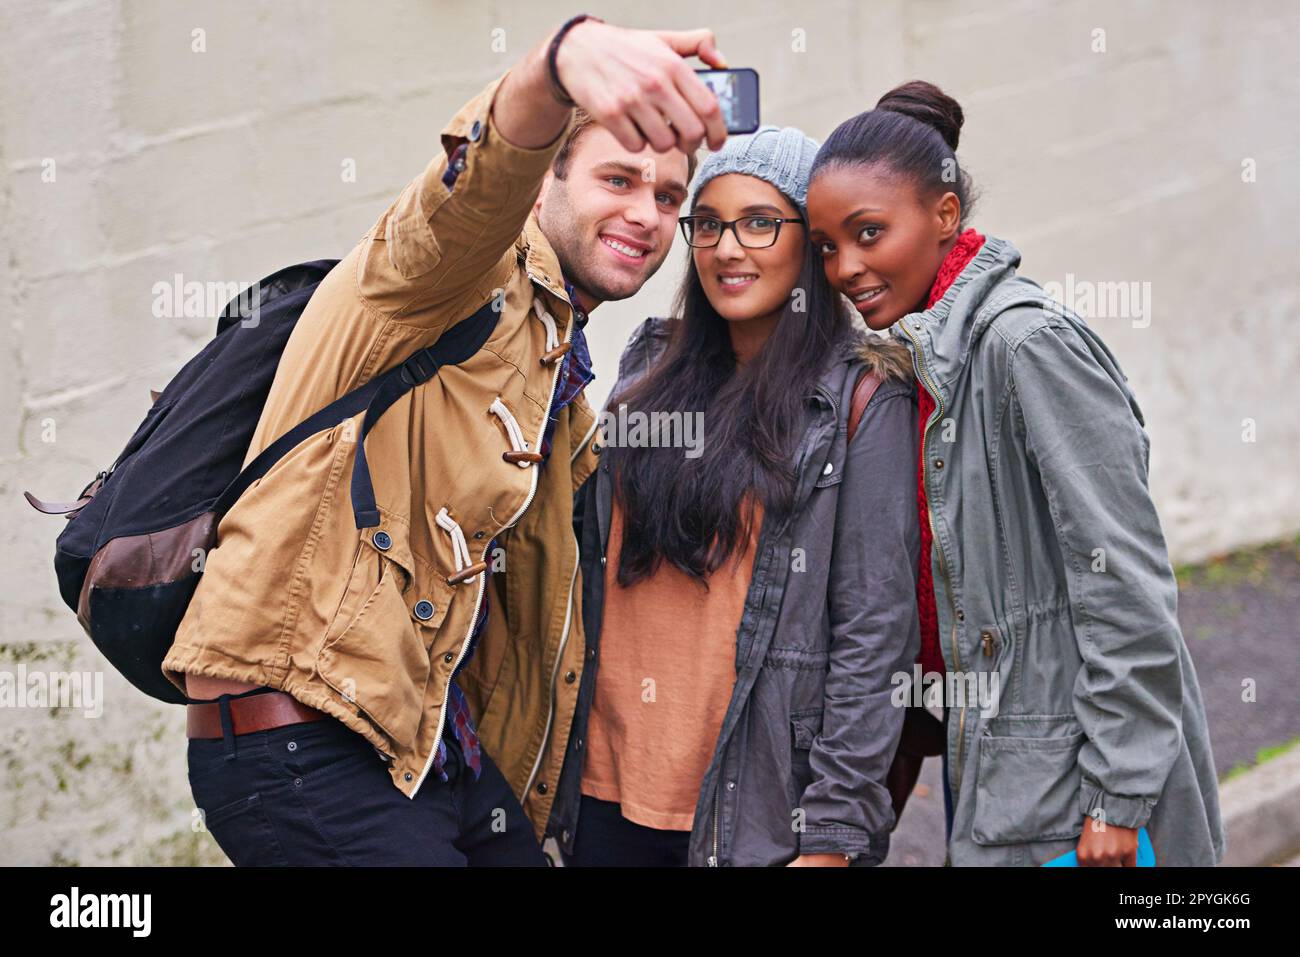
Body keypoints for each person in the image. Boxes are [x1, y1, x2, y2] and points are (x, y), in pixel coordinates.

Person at [166, 16, 729, 866]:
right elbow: (474, 184)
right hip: (307, 743)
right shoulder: (451, 275)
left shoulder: (557, 375)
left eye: (665, 197)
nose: (645, 214)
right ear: (545, 186)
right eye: (618, 178)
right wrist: (558, 64)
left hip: (427, 743)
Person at [804, 81, 1227, 866]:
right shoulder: (927, 359)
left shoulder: (1026, 347)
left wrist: (1118, 797)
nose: (845, 267)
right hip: (1003, 780)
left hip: (1087, 797)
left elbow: (1126, 583)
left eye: (868, 233)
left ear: (944, 214)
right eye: (827, 245)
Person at [548, 126, 922, 867]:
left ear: (809, 246)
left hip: (750, 815)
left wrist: (832, 834)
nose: (726, 247)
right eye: (710, 223)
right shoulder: (650, 365)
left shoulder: (859, 400)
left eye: (759, 222)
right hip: (602, 787)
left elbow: (874, 631)